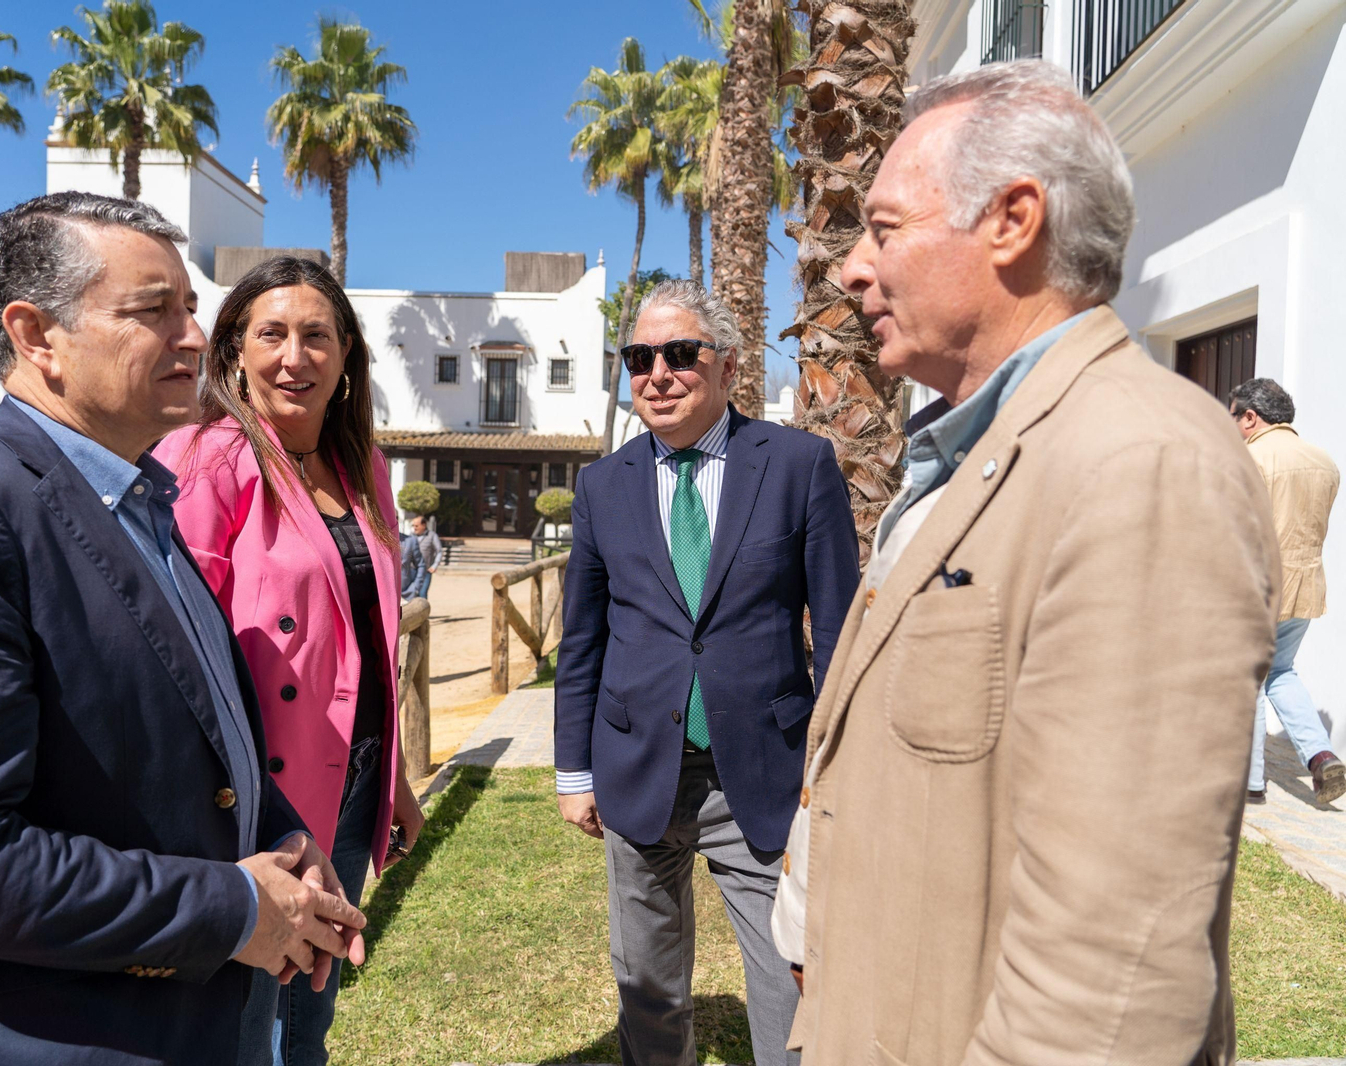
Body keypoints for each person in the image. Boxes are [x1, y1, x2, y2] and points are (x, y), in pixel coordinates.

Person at [772, 61, 1282, 1065]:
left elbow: (1112, 975)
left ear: (1011, 221)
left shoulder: (1140, 460)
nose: (850, 269)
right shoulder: (977, 453)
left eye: (884, 228)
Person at [0, 192, 365, 1066]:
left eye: (190, 308)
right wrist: (234, 909)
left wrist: (284, 834)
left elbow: (189, 733)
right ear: (36, 336)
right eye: (156, 310)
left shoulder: (147, 507)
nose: (193, 337)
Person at [555, 278, 861, 1066]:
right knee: (646, 981)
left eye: (681, 354)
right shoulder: (602, 484)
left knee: (786, 975)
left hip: (762, 769)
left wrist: (837, 770)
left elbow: (836, 629)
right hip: (636, 767)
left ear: (727, 368)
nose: (657, 374)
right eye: (639, 358)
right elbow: (583, 640)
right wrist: (572, 772)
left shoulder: (798, 465)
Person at [154, 256, 425, 1066]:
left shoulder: (364, 467)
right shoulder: (203, 458)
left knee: (310, 1013)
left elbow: (367, 644)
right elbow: (177, 652)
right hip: (258, 800)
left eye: (317, 336)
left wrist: (397, 779)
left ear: (347, 360)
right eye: (271, 333)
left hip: (353, 780)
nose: (293, 356)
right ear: (234, 349)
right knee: (241, 1021)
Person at [1230, 377, 1344, 804]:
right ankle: (1320, 756)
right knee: (1280, 671)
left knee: (1252, 680)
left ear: (1251, 417)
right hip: (1305, 586)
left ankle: (1252, 784)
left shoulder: (1250, 458)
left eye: (1233, 417)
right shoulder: (1324, 462)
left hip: (1259, 585)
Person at [410, 513, 440, 599]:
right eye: (413, 526)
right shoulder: (410, 536)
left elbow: (439, 551)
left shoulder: (432, 536)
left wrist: (434, 565)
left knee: (422, 593)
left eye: (416, 526)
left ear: (424, 525)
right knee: (412, 594)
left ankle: (423, 612)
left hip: (426, 571)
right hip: (412, 570)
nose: (414, 528)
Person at [400, 519, 428, 602]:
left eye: (416, 525)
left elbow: (421, 565)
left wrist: (415, 588)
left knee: (423, 595)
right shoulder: (374, 540)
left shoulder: (410, 540)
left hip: (405, 594)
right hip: (380, 597)